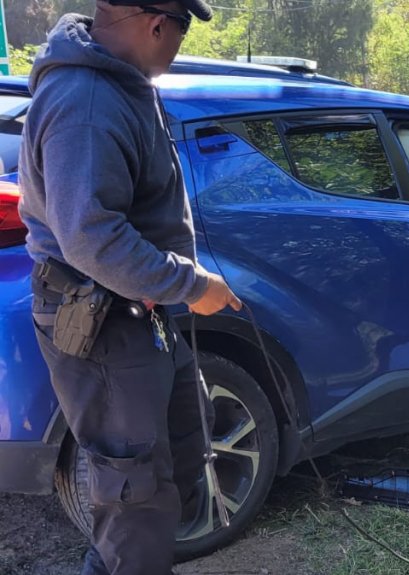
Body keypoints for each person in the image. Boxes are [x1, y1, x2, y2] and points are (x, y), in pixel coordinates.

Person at [17, 2, 242, 574]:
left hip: (140, 315)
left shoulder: (119, 85)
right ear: (157, 22)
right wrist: (191, 285)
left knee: (184, 451)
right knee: (134, 496)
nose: (180, 44)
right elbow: (92, 240)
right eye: (184, 30)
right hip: (101, 325)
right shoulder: (86, 104)